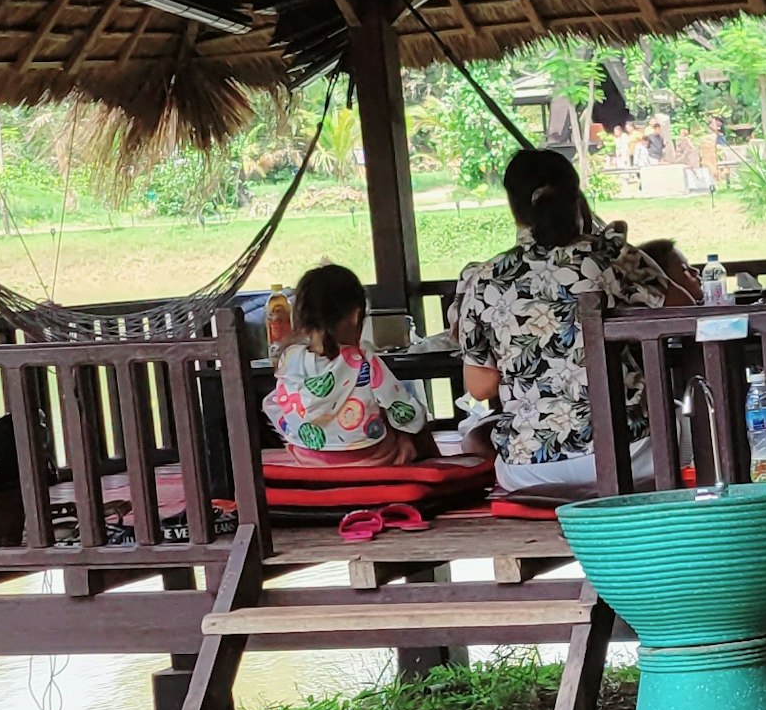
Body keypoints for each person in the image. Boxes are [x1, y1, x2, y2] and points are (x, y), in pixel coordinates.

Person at [455, 148, 679, 491]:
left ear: (515, 210)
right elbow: (684, 307)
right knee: (685, 417)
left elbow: (480, 387)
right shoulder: (607, 256)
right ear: (578, 199)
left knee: (472, 435)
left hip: (528, 469)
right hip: (629, 455)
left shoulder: (483, 279)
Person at [261, 261, 429, 464]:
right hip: (370, 457)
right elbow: (403, 411)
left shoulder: (289, 359)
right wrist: (417, 421)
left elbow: (276, 405)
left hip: (308, 459)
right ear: (356, 315)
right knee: (409, 433)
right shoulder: (363, 358)